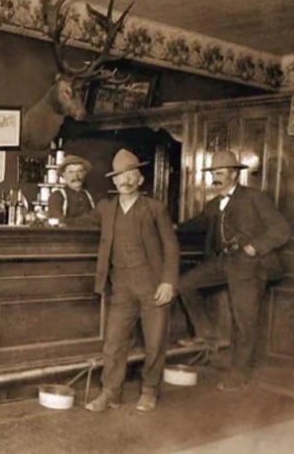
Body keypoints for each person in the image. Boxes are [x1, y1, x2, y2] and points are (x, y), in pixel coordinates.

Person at [72, 149, 179, 413]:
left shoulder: (155, 209)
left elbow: (171, 247)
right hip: (121, 286)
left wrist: (168, 282)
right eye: (120, 176)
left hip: (152, 284)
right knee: (114, 342)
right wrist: (48, 222)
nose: (125, 180)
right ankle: (111, 393)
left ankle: (150, 391)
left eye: (131, 175)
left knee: (154, 342)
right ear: (114, 181)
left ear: (140, 179)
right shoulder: (106, 209)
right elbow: (80, 222)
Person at [176, 150, 290, 391]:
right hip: (224, 262)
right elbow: (197, 224)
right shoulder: (214, 204)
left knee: (244, 322)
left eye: (219, 173)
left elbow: (281, 229)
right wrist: (172, 226)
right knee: (185, 284)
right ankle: (206, 333)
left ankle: (239, 375)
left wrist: (254, 247)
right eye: (213, 174)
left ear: (234, 175)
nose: (214, 179)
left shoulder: (255, 198)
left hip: (250, 266)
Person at [47, 154, 95, 221]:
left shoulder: (92, 196)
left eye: (80, 171)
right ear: (64, 175)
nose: (76, 176)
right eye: (71, 172)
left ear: (85, 173)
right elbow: (58, 220)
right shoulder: (57, 196)